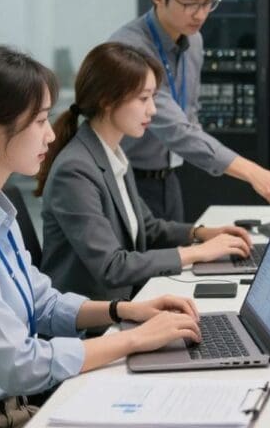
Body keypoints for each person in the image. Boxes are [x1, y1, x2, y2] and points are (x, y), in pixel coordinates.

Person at [0, 45, 203, 426]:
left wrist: (123, 311)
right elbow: (18, 365)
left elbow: (42, 304)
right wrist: (133, 339)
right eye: (38, 121)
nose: (51, 135)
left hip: (10, 409)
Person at [37, 42, 253, 302]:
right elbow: (112, 266)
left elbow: (147, 228)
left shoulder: (112, 153)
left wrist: (201, 233)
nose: (152, 109)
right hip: (89, 323)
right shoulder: (75, 171)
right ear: (107, 101)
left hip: (124, 301)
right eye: (143, 98)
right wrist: (197, 253)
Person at [110, 0, 270, 223]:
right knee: (147, 263)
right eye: (189, 4)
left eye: (207, 3)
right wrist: (253, 172)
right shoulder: (132, 48)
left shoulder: (194, 41)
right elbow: (175, 129)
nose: (200, 15)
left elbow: (189, 115)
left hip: (169, 178)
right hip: (128, 180)